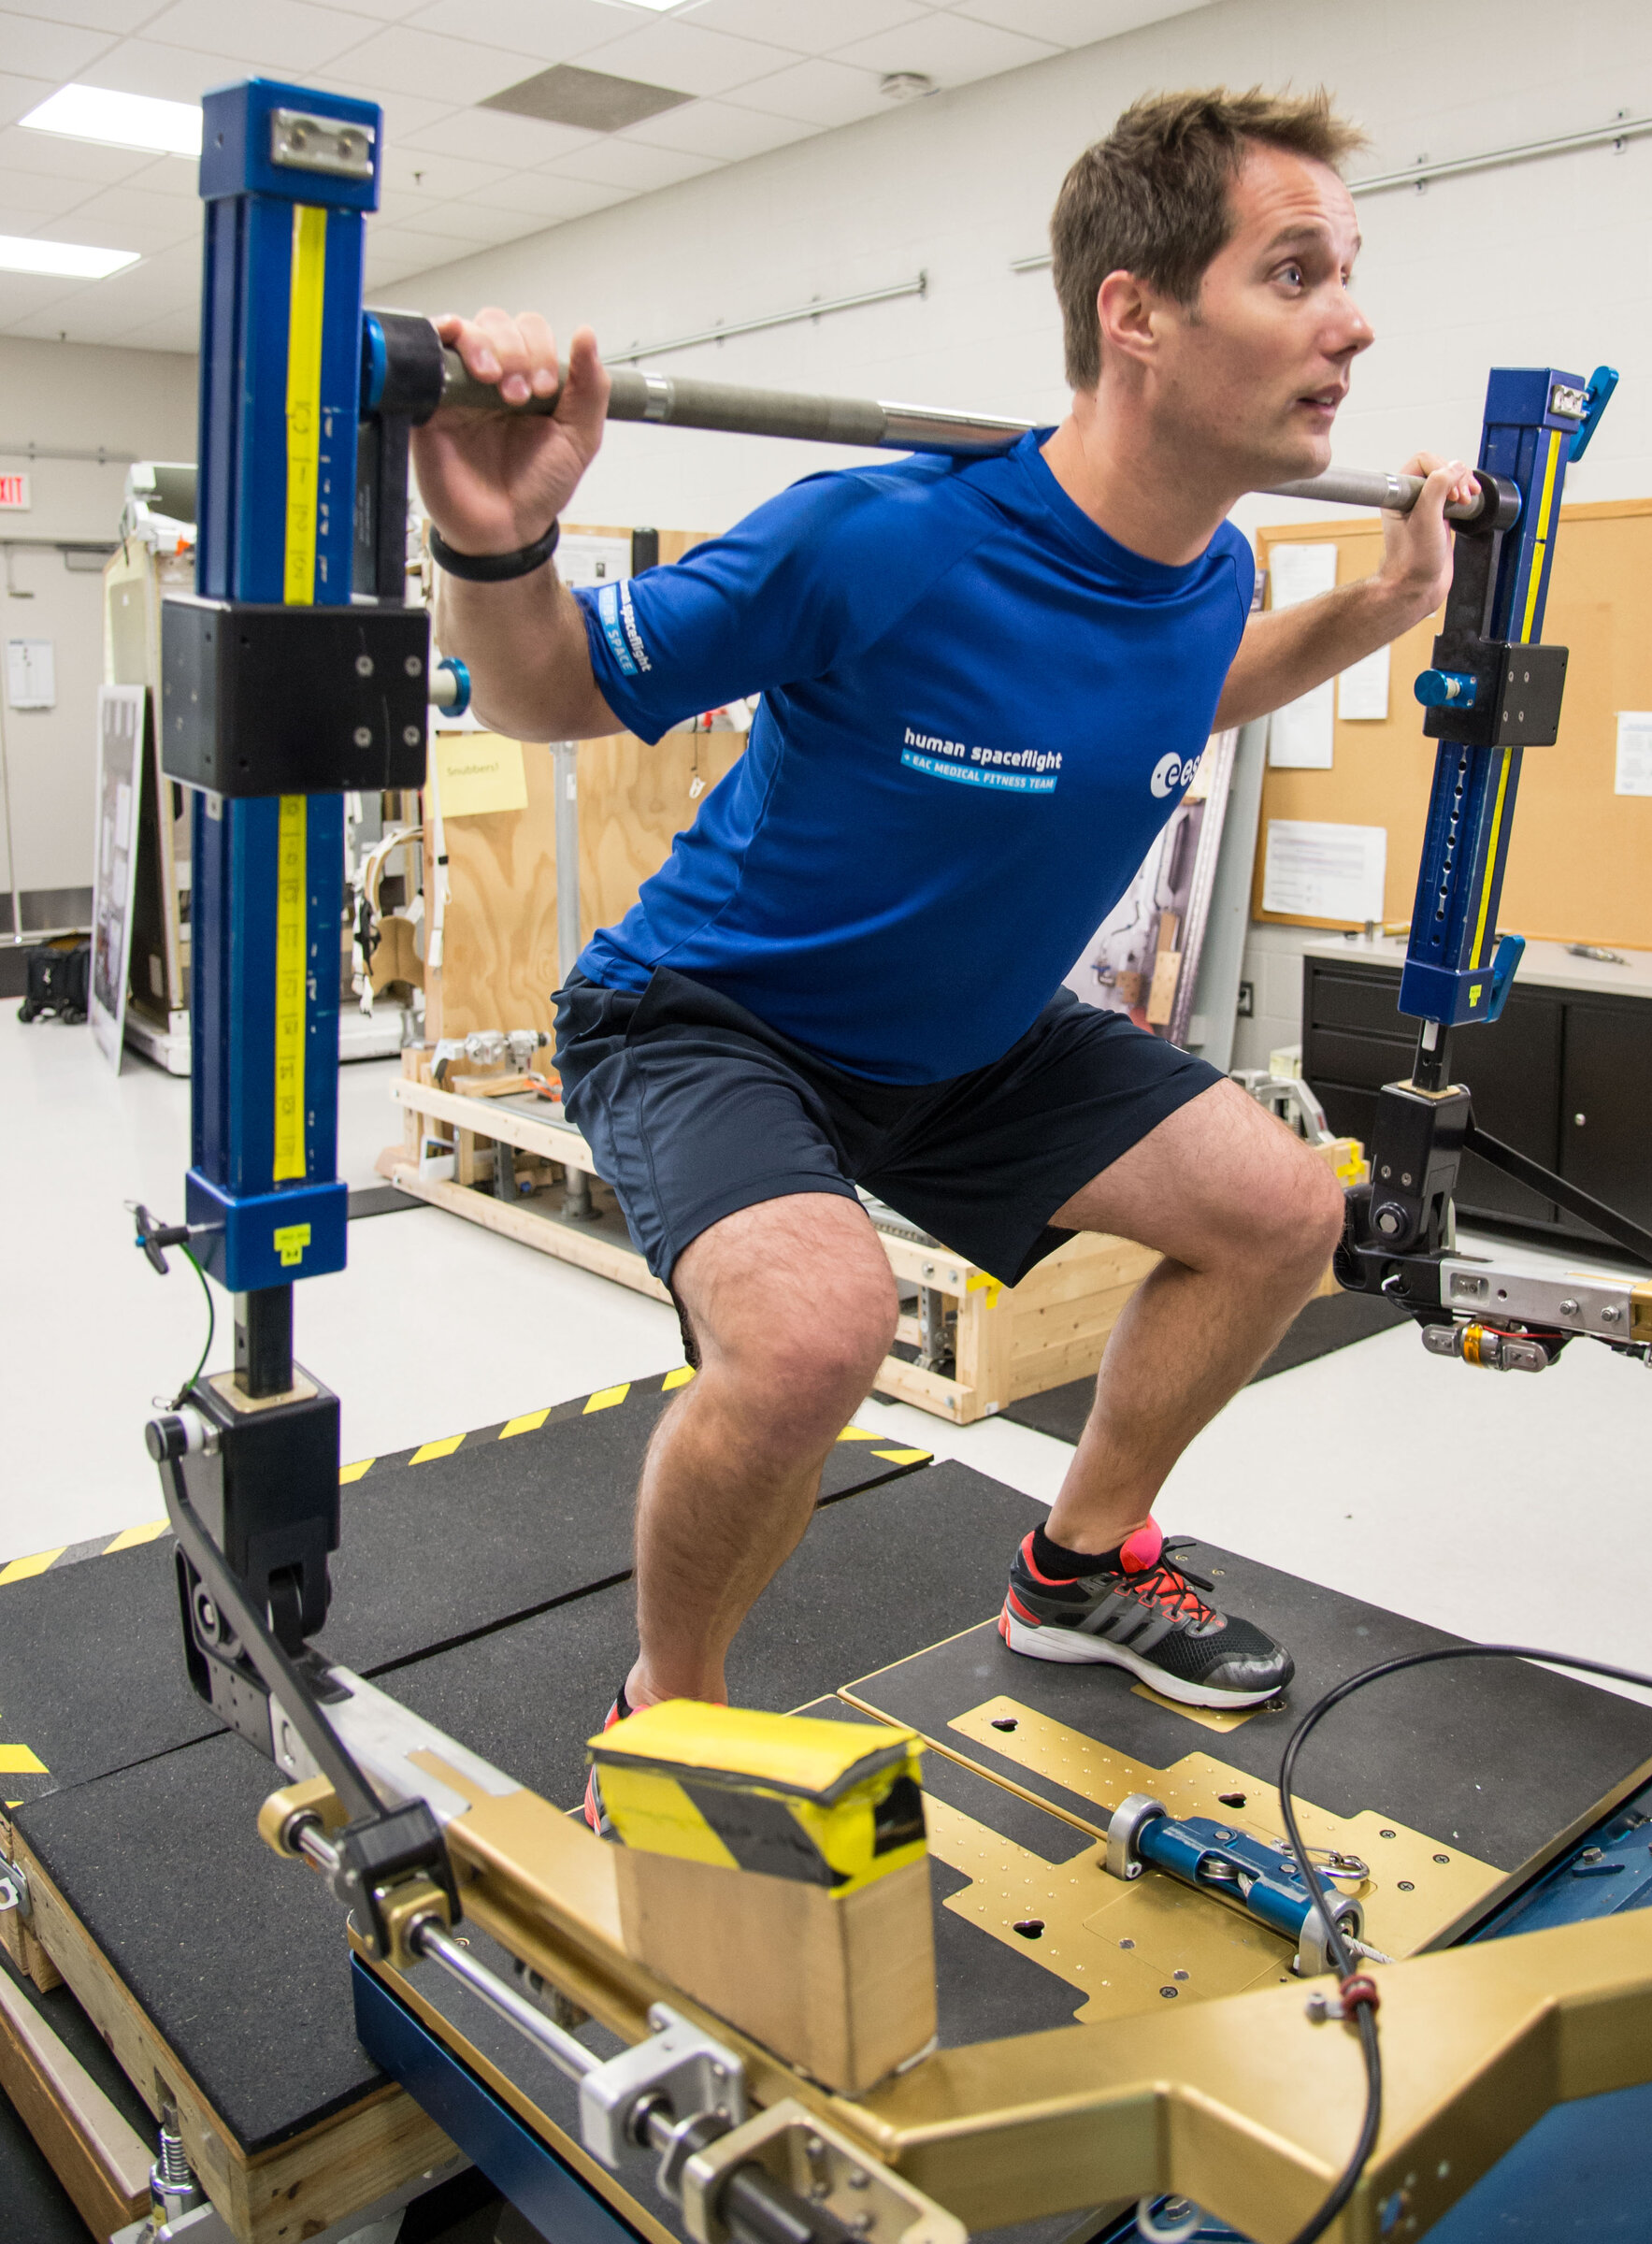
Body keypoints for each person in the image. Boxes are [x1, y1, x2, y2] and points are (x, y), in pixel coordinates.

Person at [412, 88, 1480, 1816]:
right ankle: (664, 1711)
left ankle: (1076, 1571)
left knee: (1286, 1207)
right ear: (1135, 312)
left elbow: (1177, 690)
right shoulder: (886, 537)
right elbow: (548, 693)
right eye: (1297, 272)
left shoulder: (1205, 571)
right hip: (714, 1015)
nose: (1353, 319)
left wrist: (1375, 610)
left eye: (1348, 272)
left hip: (971, 1036)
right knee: (819, 1335)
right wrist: (496, 533)